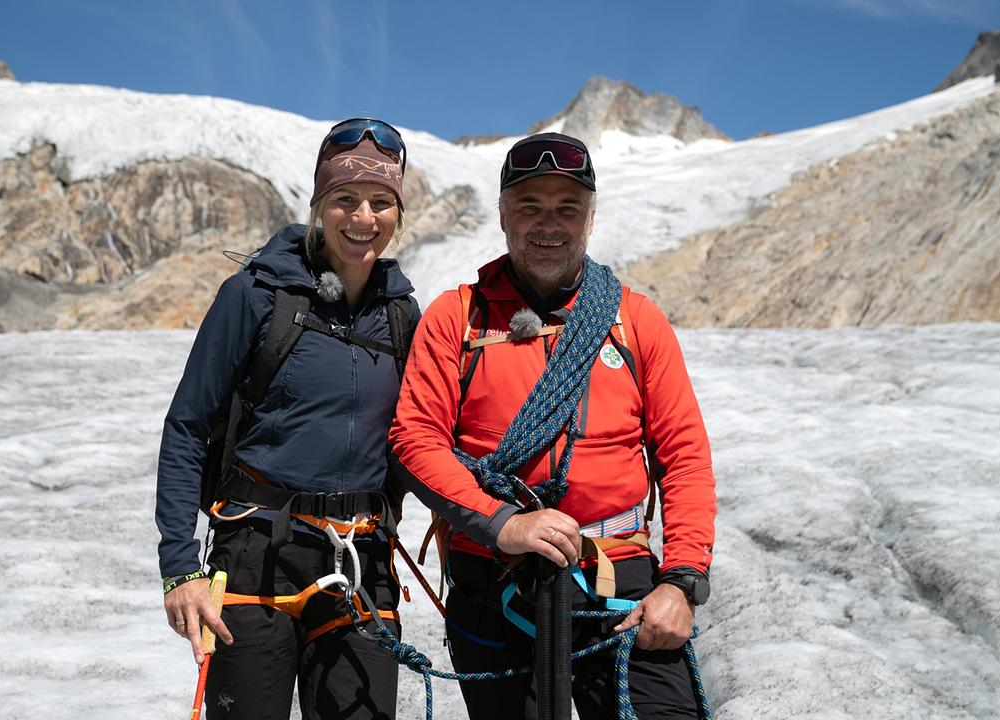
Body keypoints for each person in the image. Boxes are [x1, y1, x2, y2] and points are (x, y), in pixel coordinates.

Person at [389, 132, 716, 719]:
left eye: (567, 209)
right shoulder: (456, 318)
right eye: (530, 207)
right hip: (493, 579)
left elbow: (683, 455)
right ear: (502, 215)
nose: (549, 225)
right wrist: (503, 523)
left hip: (618, 582)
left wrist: (683, 581)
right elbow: (416, 439)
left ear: (590, 219)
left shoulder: (634, 322)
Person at [155, 118, 419, 720]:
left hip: (361, 562)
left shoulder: (403, 316)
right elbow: (188, 427)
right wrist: (179, 568)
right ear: (319, 205)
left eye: (381, 202)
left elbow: (421, 439)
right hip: (255, 554)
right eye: (345, 199)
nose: (363, 216)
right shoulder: (254, 295)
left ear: (398, 214)